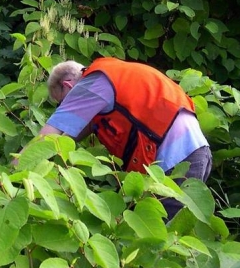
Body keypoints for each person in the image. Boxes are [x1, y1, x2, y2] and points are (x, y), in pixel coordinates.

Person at [21, 56, 211, 221]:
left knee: (159, 247)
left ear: (68, 85)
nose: (66, 107)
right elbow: (67, 137)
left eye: (63, 102)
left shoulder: (92, 83)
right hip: (197, 152)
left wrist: (14, 171)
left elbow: (47, 137)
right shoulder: (113, 75)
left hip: (175, 161)